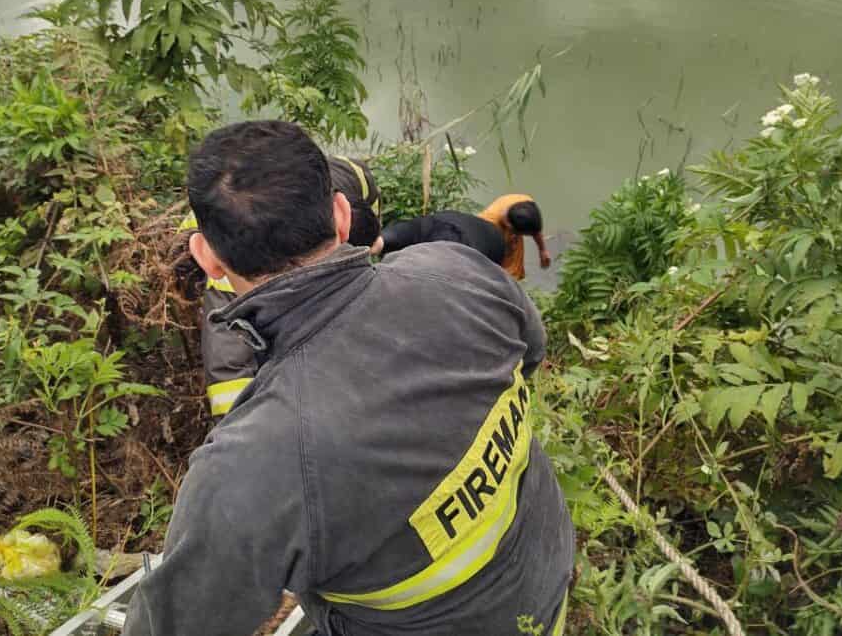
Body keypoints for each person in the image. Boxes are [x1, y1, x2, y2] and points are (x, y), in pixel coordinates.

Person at [124, 121, 574, 636]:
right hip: (547, 585)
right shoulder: (458, 270)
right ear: (341, 215)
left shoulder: (252, 462)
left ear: (209, 260)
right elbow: (532, 352)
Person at [179, 155, 382, 417]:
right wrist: (243, 436)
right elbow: (228, 371)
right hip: (204, 242)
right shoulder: (237, 262)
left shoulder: (352, 177)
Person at [381, 193, 552, 280]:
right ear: (509, 227)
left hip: (508, 248)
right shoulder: (489, 223)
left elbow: (535, 229)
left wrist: (543, 251)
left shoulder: (524, 204)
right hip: (491, 255)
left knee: (513, 277)